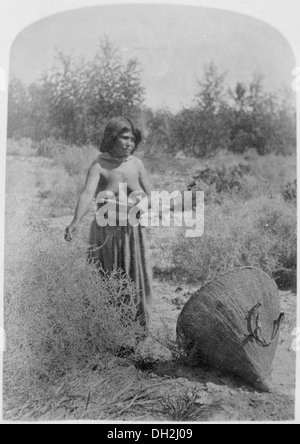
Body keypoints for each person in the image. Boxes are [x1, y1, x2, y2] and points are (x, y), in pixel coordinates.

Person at [65, 117, 153, 331]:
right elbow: (87, 194)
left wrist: (140, 206)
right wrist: (75, 221)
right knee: (109, 277)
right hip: (107, 232)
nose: (129, 143)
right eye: (124, 138)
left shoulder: (136, 164)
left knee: (137, 279)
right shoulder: (100, 166)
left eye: (132, 139)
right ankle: (108, 330)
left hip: (133, 231)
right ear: (112, 138)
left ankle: (137, 331)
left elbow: (151, 195)